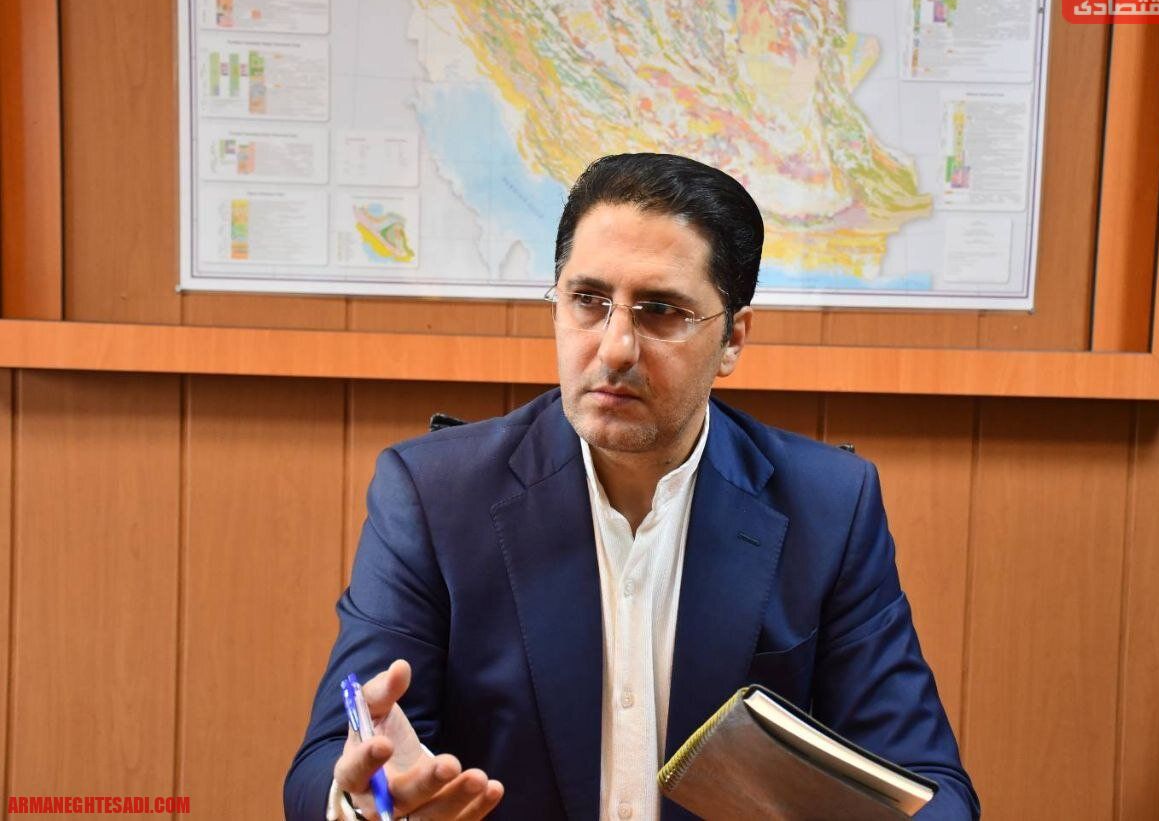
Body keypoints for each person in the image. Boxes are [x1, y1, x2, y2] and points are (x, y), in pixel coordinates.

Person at [284, 153, 979, 820]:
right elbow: (330, 761)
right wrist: (372, 801)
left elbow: (931, 788)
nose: (615, 347)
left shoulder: (828, 507)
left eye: (661, 310)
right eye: (588, 301)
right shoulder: (434, 496)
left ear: (733, 340)